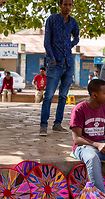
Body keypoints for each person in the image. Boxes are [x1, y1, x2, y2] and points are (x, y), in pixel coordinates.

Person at [39, 0, 80, 136]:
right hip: (55, 63)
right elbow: (47, 41)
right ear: (60, 5)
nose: (68, 7)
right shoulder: (52, 19)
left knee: (63, 96)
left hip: (69, 64)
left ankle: (57, 123)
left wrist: (70, 45)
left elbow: (77, 37)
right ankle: (43, 125)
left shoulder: (73, 22)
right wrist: (51, 59)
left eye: (70, 5)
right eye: (65, 4)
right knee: (49, 95)